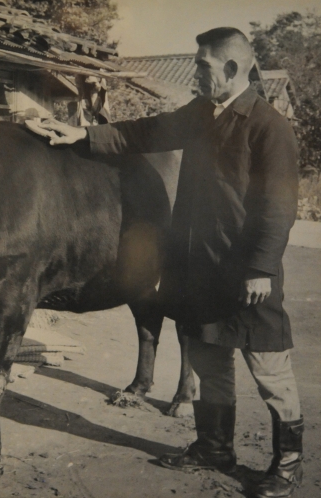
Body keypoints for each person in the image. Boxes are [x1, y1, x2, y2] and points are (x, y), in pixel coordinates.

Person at [27, 27, 303, 498]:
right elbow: (145, 131)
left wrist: (260, 267)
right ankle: (214, 448)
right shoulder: (201, 113)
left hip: (247, 274)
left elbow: (279, 207)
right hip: (199, 267)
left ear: (232, 69)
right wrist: (82, 133)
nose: (195, 73)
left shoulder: (268, 127)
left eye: (203, 66)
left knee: (270, 370)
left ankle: (287, 467)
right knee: (210, 362)